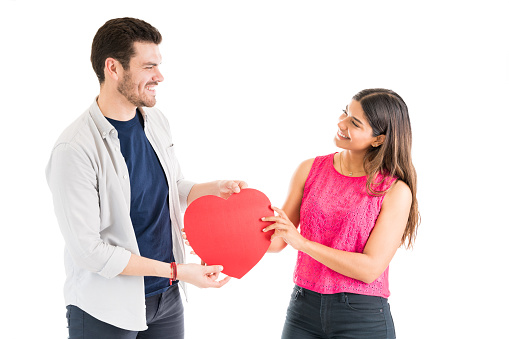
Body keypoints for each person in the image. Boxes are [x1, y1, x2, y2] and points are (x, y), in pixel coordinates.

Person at [46, 17, 246, 338]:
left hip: (166, 299)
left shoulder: (154, 120)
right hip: (105, 309)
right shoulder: (74, 149)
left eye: (159, 66)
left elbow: (171, 186)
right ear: (113, 68)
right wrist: (177, 270)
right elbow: (89, 251)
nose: (160, 76)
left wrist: (213, 189)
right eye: (148, 67)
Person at [262, 88, 419, 339]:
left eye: (354, 123)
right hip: (304, 307)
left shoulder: (394, 191)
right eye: (346, 112)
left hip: (362, 316)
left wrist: (302, 243)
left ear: (378, 139)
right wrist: (219, 240)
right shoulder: (309, 169)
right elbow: (277, 239)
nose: (341, 123)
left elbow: (370, 269)